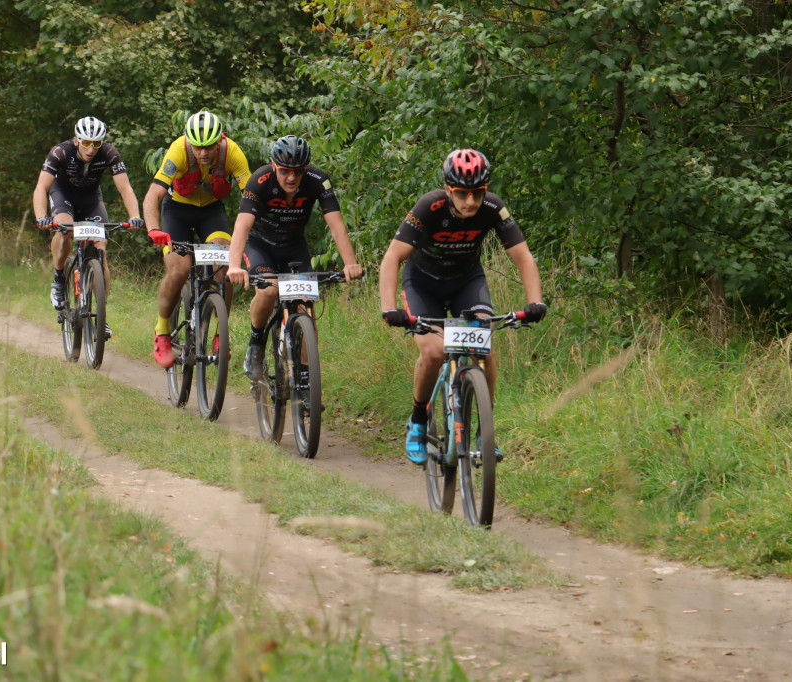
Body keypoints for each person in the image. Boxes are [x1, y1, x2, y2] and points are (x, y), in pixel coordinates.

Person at [378, 149, 547, 465]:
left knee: (484, 345)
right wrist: (389, 308)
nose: (470, 201)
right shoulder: (429, 206)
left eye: (478, 193)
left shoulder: (493, 207)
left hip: (466, 282)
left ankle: (485, 434)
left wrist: (535, 301)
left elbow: (523, 257)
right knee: (433, 353)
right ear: (448, 189)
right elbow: (391, 258)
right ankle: (416, 422)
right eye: (461, 193)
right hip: (423, 283)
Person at [226, 135, 362, 380]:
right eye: (285, 171)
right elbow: (242, 226)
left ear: (306, 169)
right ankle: (256, 343)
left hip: (293, 246)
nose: (291, 177)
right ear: (274, 166)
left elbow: (336, 225)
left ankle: (307, 379)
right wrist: (234, 266)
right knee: (268, 291)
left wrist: (350, 263)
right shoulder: (259, 180)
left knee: (304, 305)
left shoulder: (318, 180)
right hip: (259, 244)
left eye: (298, 172)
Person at [143, 111, 252, 368]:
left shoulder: (233, 153)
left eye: (209, 146)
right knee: (179, 270)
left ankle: (219, 333)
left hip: (211, 213)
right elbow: (152, 196)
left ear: (220, 141)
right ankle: (162, 331)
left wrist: (253, 238)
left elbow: (252, 199)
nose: (203, 152)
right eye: (197, 147)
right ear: (188, 143)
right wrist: (153, 229)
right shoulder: (177, 151)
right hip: (176, 212)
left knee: (224, 266)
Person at [32, 116, 144, 339]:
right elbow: (41, 187)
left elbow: (125, 188)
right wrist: (41, 217)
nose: (91, 149)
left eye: (96, 144)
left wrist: (135, 216)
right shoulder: (60, 152)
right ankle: (58, 278)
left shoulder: (110, 153)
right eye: (86, 143)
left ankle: (100, 315)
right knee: (64, 231)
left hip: (92, 200)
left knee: (100, 251)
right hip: (63, 196)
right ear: (76, 140)